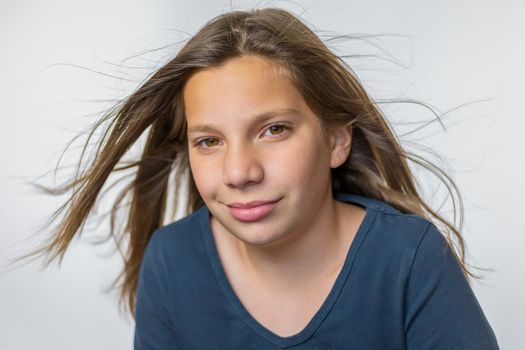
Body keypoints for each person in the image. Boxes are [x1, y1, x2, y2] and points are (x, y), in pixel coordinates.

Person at [16, 7, 499, 349]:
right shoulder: (172, 262)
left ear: (336, 140)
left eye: (274, 130)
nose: (239, 172)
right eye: (209, 141)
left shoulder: (409, 259)